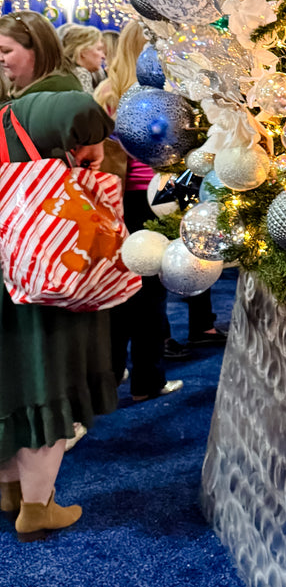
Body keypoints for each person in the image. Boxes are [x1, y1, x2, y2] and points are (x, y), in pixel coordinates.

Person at [0, 40, 117, 538]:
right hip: (41, 277)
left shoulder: (16, 111)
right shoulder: (29, 108)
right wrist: (94, 144)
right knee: (46, 385)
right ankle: (37, 506)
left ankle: (10, 492)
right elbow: (80, 110)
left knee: (11, 388)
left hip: (10, 273)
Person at [95, 21, 181, 402]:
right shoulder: (163, 93)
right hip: (154, 199)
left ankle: (112, 375)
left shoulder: (107, 92)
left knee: (118, 291)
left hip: (113, 200)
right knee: (151, 295)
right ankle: (148, 381)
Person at [58, 24, 108, 93]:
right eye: (98, 49)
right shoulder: (80, 74)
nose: (103, 56)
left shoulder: (64, 73)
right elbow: (88, 100)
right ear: (82, 52)